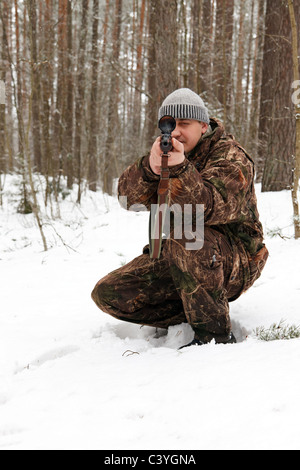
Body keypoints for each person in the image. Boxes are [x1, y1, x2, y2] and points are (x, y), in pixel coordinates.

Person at [91, 88, 269, 349]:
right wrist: (149, 169)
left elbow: (205, 206)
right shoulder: (167, 154)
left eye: (184, 124)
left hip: (236, 260)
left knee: (188, 233)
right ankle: (196, 309)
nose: (175, 132)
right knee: (109, 293)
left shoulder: (231, 156)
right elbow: (126, 200)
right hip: (182, 255)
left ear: (203, 125)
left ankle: (214, 336)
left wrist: (180, 169)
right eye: (170, 125)